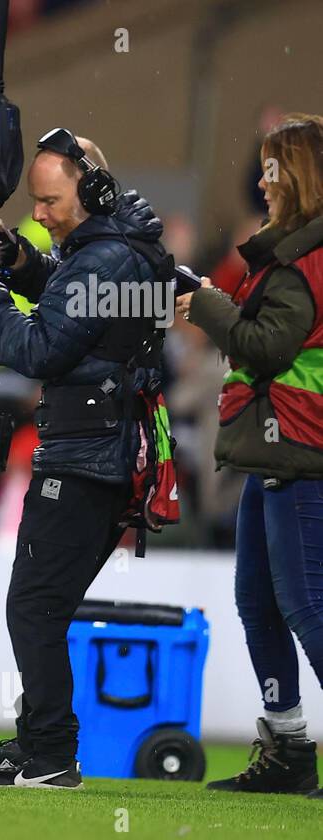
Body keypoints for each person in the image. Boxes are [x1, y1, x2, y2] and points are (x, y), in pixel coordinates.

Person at [0, 130, 171, 790]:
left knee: (34, 607)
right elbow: (71, 300)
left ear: (92, 191)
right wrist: (14, 260)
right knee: (44, 606)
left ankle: (52, 756)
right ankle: (39, 743)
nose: (38, 214)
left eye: (49, 202)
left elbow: (38, 348)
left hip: (85, 458)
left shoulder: (105, 260)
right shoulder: (118, 249)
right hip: (104, 452)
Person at [178, 113, 323, 797]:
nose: (262, 183)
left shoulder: (301, 264)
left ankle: (288, 750)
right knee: (263, 604)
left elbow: (266, 348)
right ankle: (287, 750)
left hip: (298, 451)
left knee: (303, 605)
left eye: (271, 170)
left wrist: (210, 307)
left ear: (298, 178)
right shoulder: (292, 256)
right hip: (278, 452)